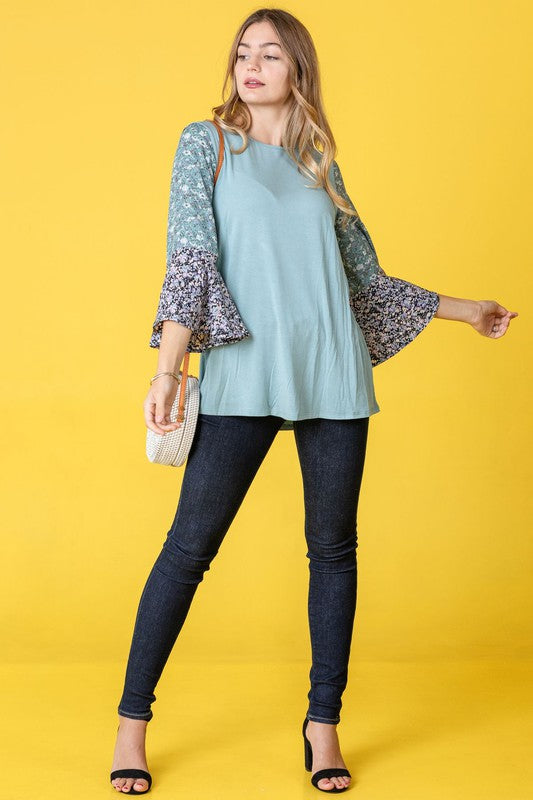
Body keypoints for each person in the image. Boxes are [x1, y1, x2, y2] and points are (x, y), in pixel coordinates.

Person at [110, 8, 518, 795]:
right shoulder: (207, 145)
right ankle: (132, 723)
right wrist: (169, 367)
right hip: (243, 375)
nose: (250, 65)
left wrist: (467, 310)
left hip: (332, 373)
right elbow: (190, 256)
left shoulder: (317, 162)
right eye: (242, 52)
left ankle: (322, 727)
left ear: (297, 69)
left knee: (333, 552)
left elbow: (364, 279)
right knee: (187, 551)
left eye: (269, 54)